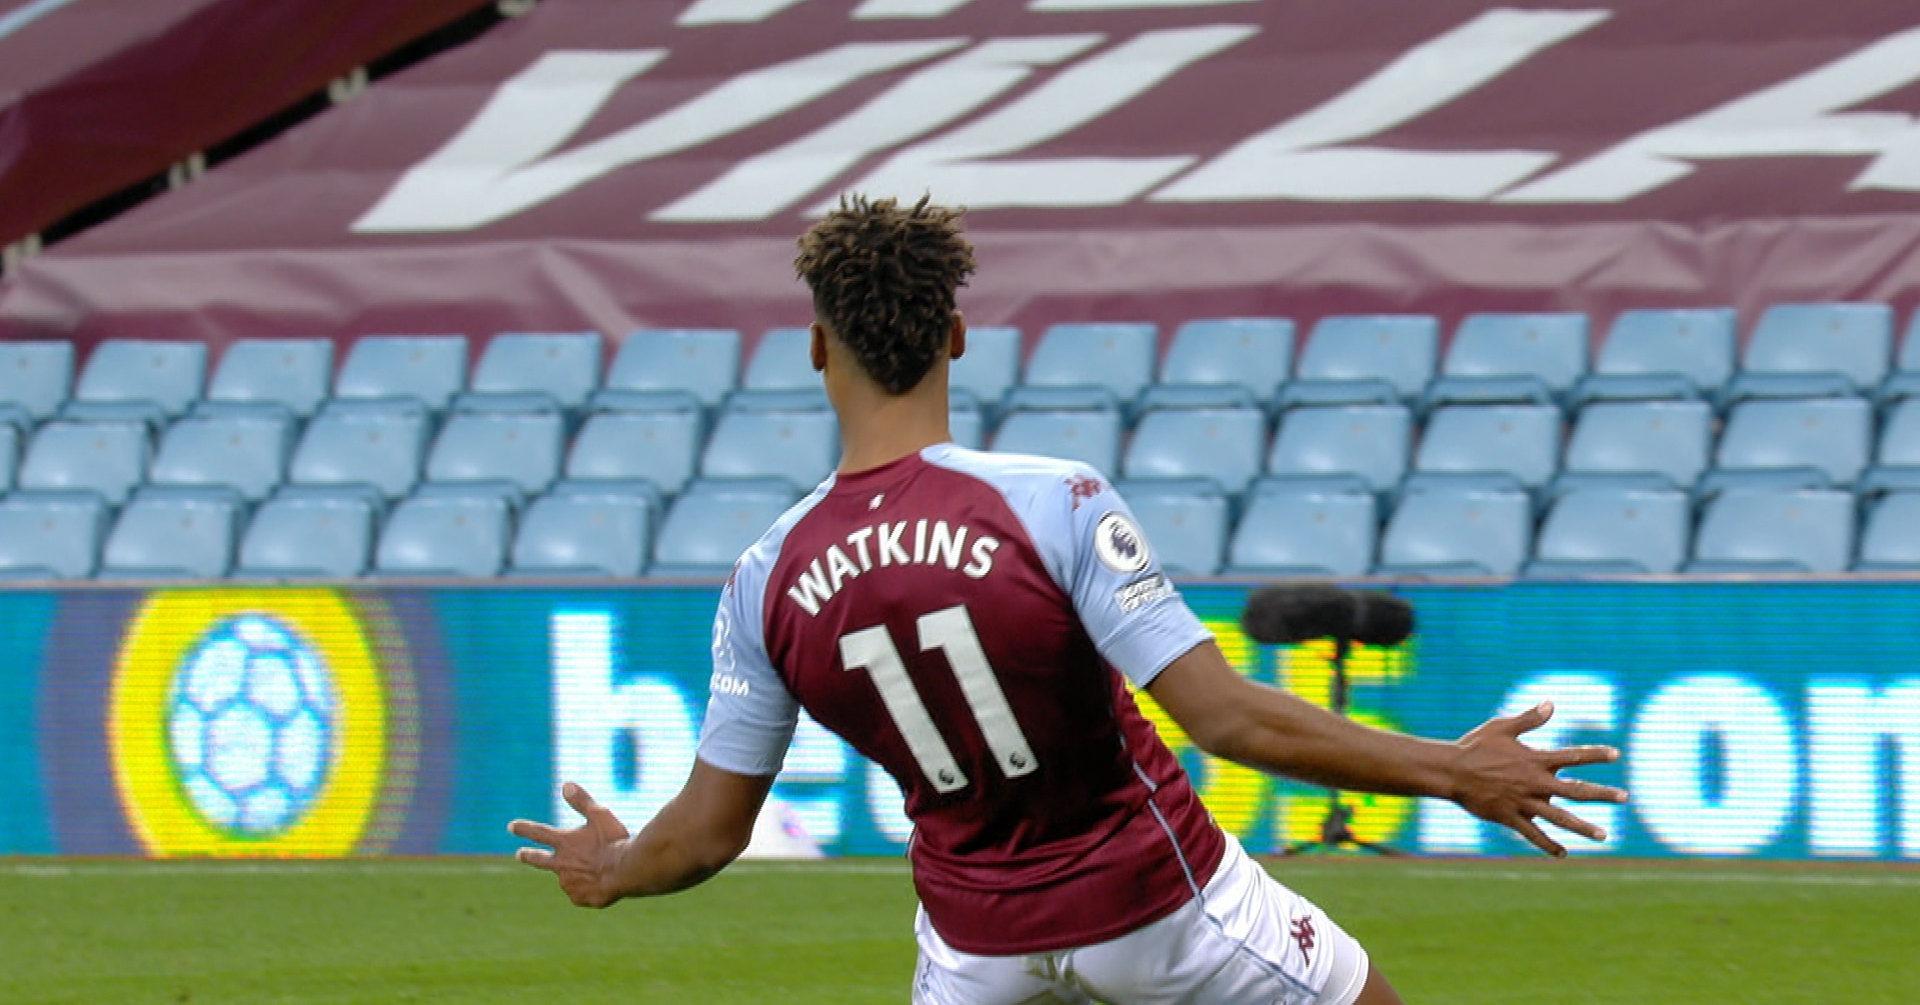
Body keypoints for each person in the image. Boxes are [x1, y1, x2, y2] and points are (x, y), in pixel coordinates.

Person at [510, 196, 1629, 1005]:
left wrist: (610, 870)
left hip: (974, 953)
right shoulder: (1056, 502)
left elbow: (707, 835)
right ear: (956, 335)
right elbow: (1225, 719)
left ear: (816, 347)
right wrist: (1449, 769)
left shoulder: (767, 576)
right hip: (1162, 910)